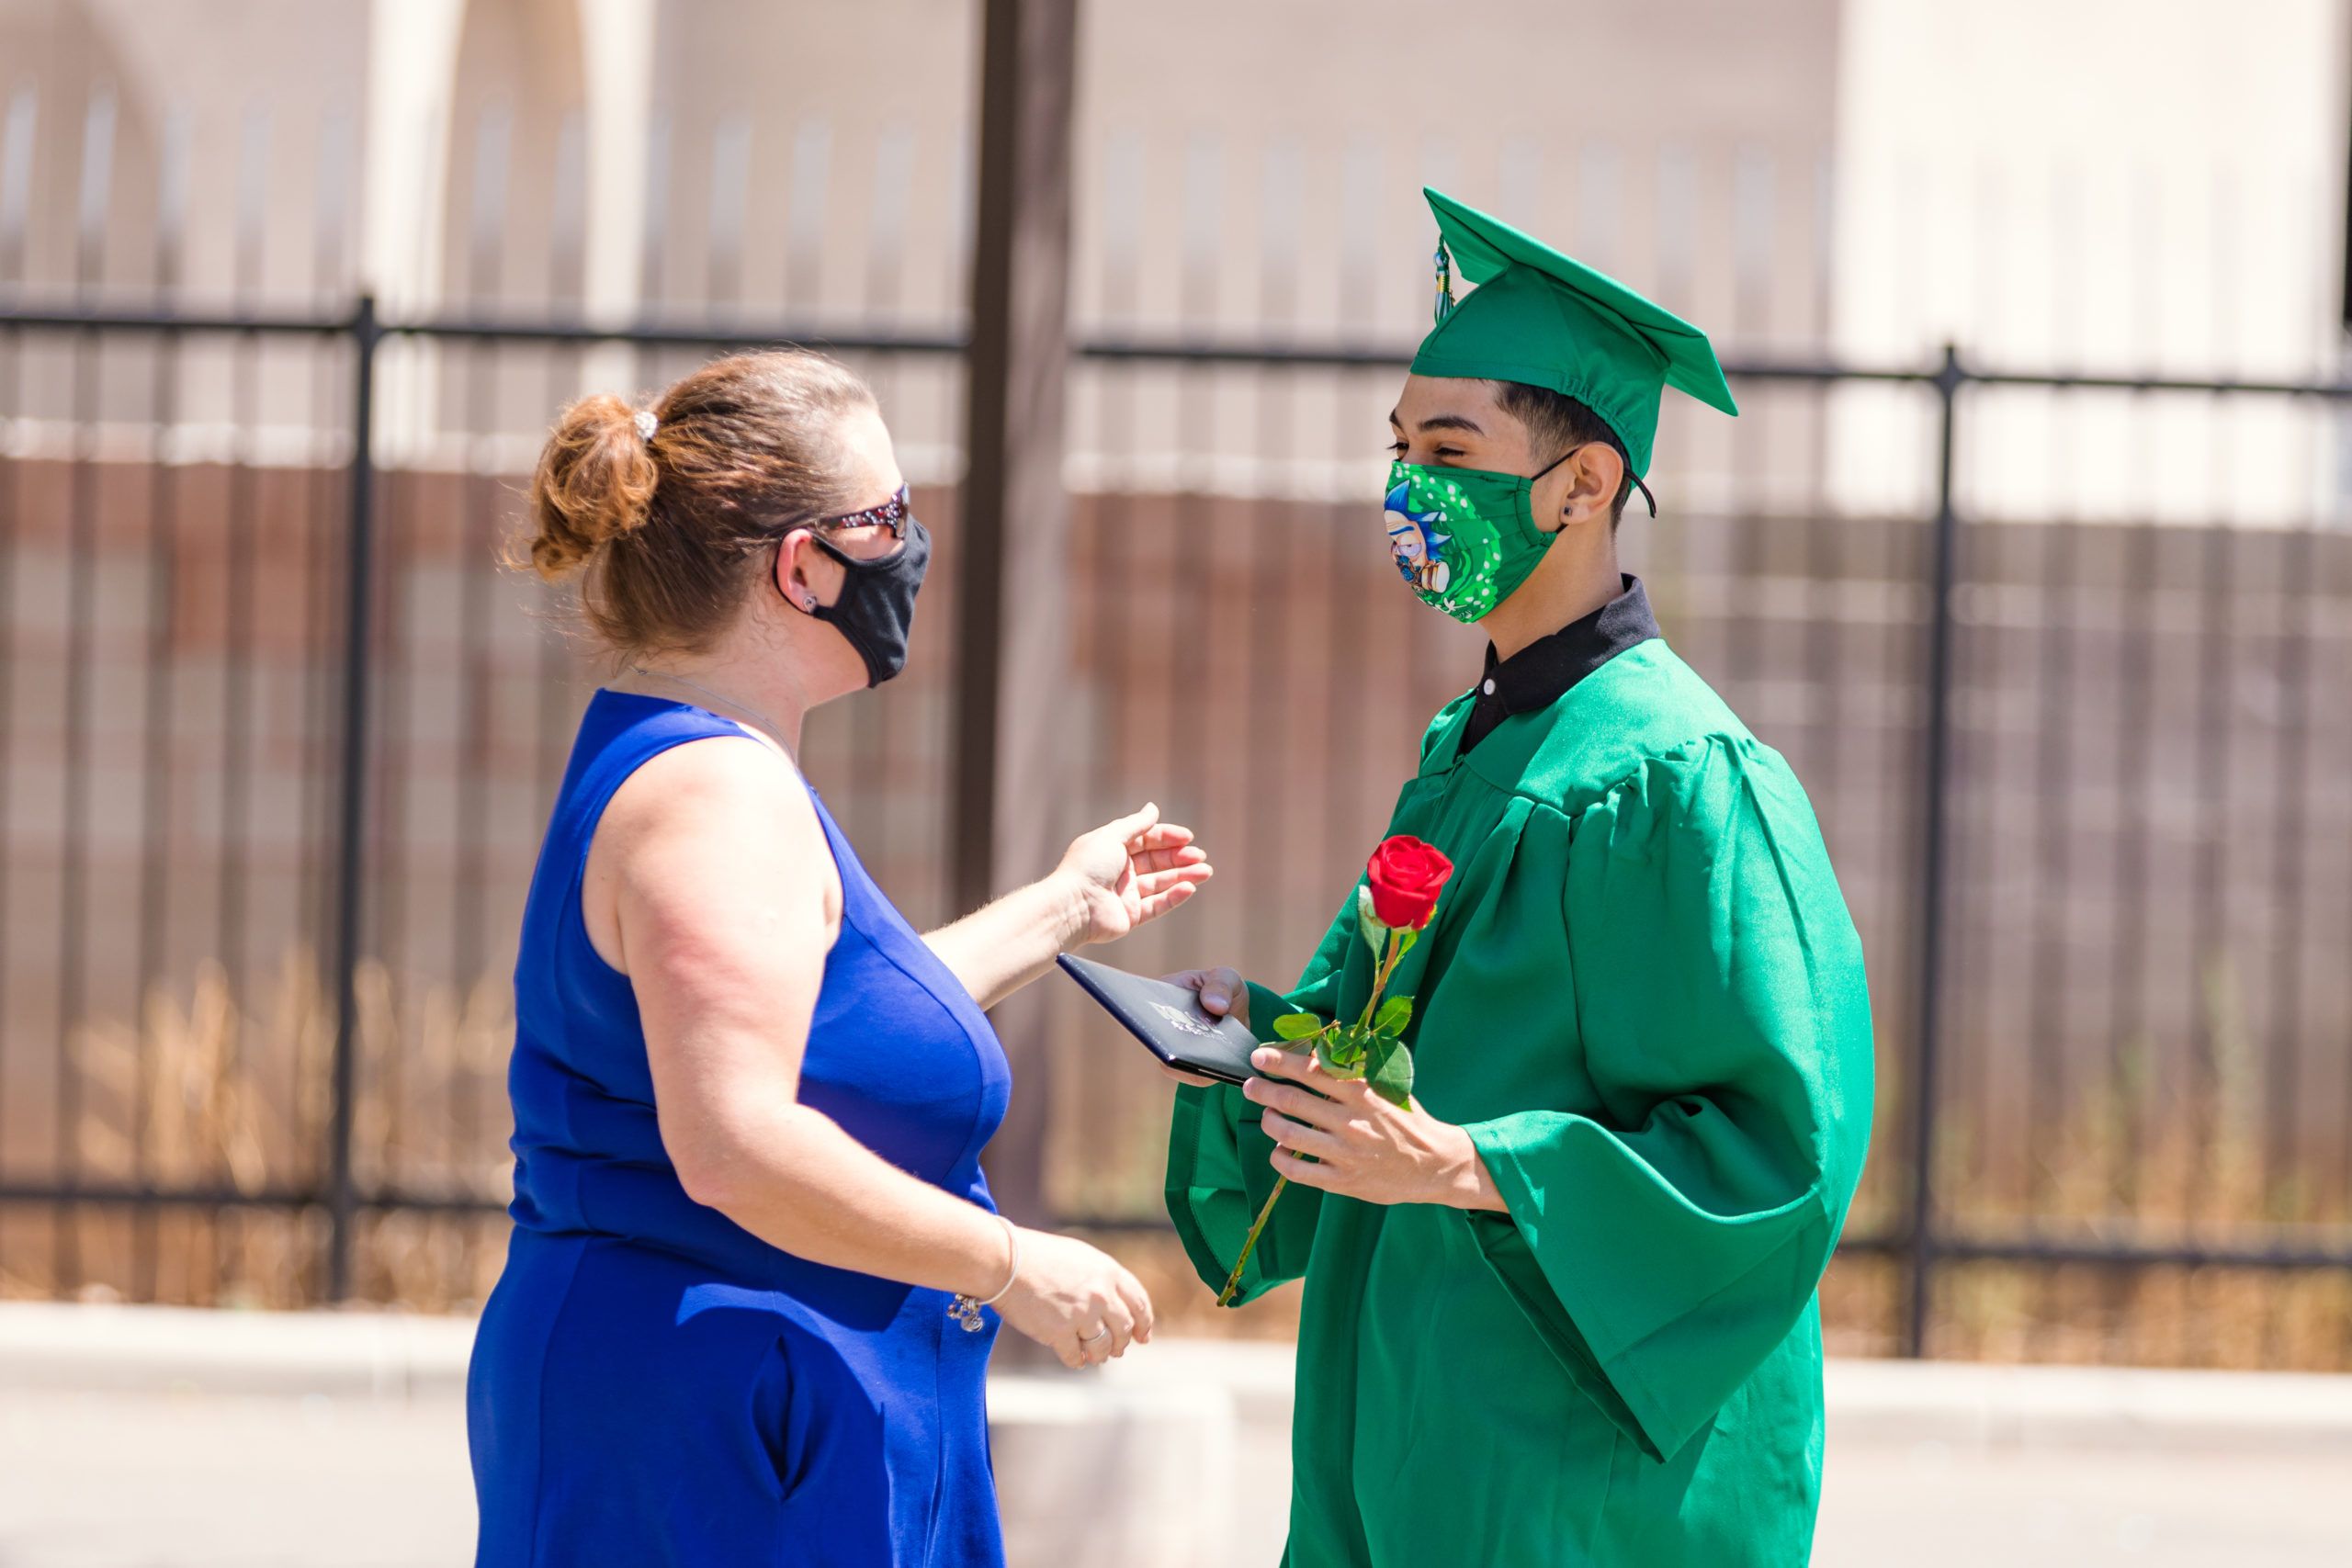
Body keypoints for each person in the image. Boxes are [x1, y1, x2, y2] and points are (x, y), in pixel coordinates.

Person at [1161, 189, 1876, 1565]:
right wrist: (1250, 1042)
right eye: (1399, 447)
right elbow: (1406, 1045)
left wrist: (1465, 1164)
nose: (1410, 487)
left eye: (1450, 446)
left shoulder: (1677, 779)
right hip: (1417, 1396)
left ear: (1584, 484)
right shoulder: (1479, 742)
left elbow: (1772, 1150)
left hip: (1573, 1460)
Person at [468, 350, 1213, 1567]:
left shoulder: (700, 762)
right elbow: (735, 1143)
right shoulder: (715, 798)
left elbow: (832, 1021)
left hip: (733, 1403)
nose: (915, 548)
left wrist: (1064, 907)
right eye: (893, 518)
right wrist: (1013, 1262)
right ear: (802, 565)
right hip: (712, 1429)